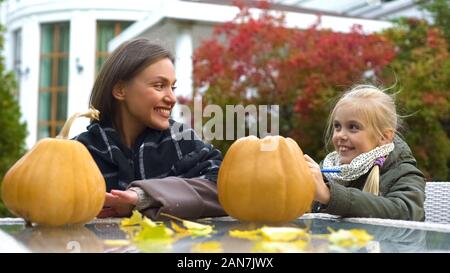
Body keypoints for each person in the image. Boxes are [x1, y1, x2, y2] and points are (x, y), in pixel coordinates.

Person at [74, 38, 226, 220]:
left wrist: (143, 197)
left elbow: (224, 187)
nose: (172, 98)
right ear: (120, 90)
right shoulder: (79, 152)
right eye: (159, 86)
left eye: (172, 87)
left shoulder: (182, 140)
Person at [304, 85, 425, 221]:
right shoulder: (328, 171)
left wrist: (329, 195)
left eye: (353, 127)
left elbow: (406, 213)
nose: (340, 135)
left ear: (383, 137)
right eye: (337, 126)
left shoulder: (403, 173)